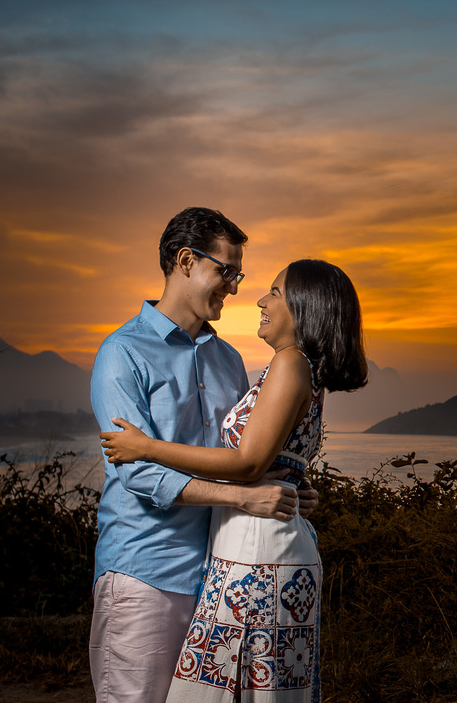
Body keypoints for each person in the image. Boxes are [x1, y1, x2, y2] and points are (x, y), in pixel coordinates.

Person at [101, 258, 368, 702]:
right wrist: (290, 482)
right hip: (258, 542)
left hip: (258, 551)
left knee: (231, 689)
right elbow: (272, 457)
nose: (261, 300)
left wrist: (147, 447)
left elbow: (246, 462)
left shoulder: (290, 362)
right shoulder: (297, 369)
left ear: (304, 307)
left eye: (275, 293)